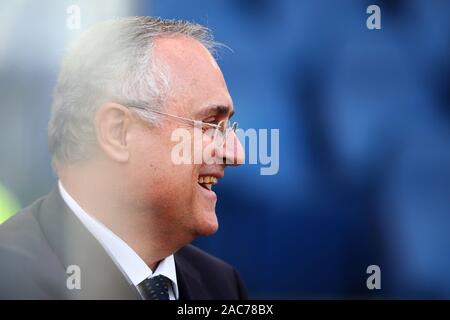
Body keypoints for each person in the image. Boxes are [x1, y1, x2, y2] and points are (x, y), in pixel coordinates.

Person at [0, 16, 247, 300]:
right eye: (209, 123)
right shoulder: (10, 279)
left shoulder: (221, 284)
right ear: (118, 132)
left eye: (228, 128)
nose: (235, 154)